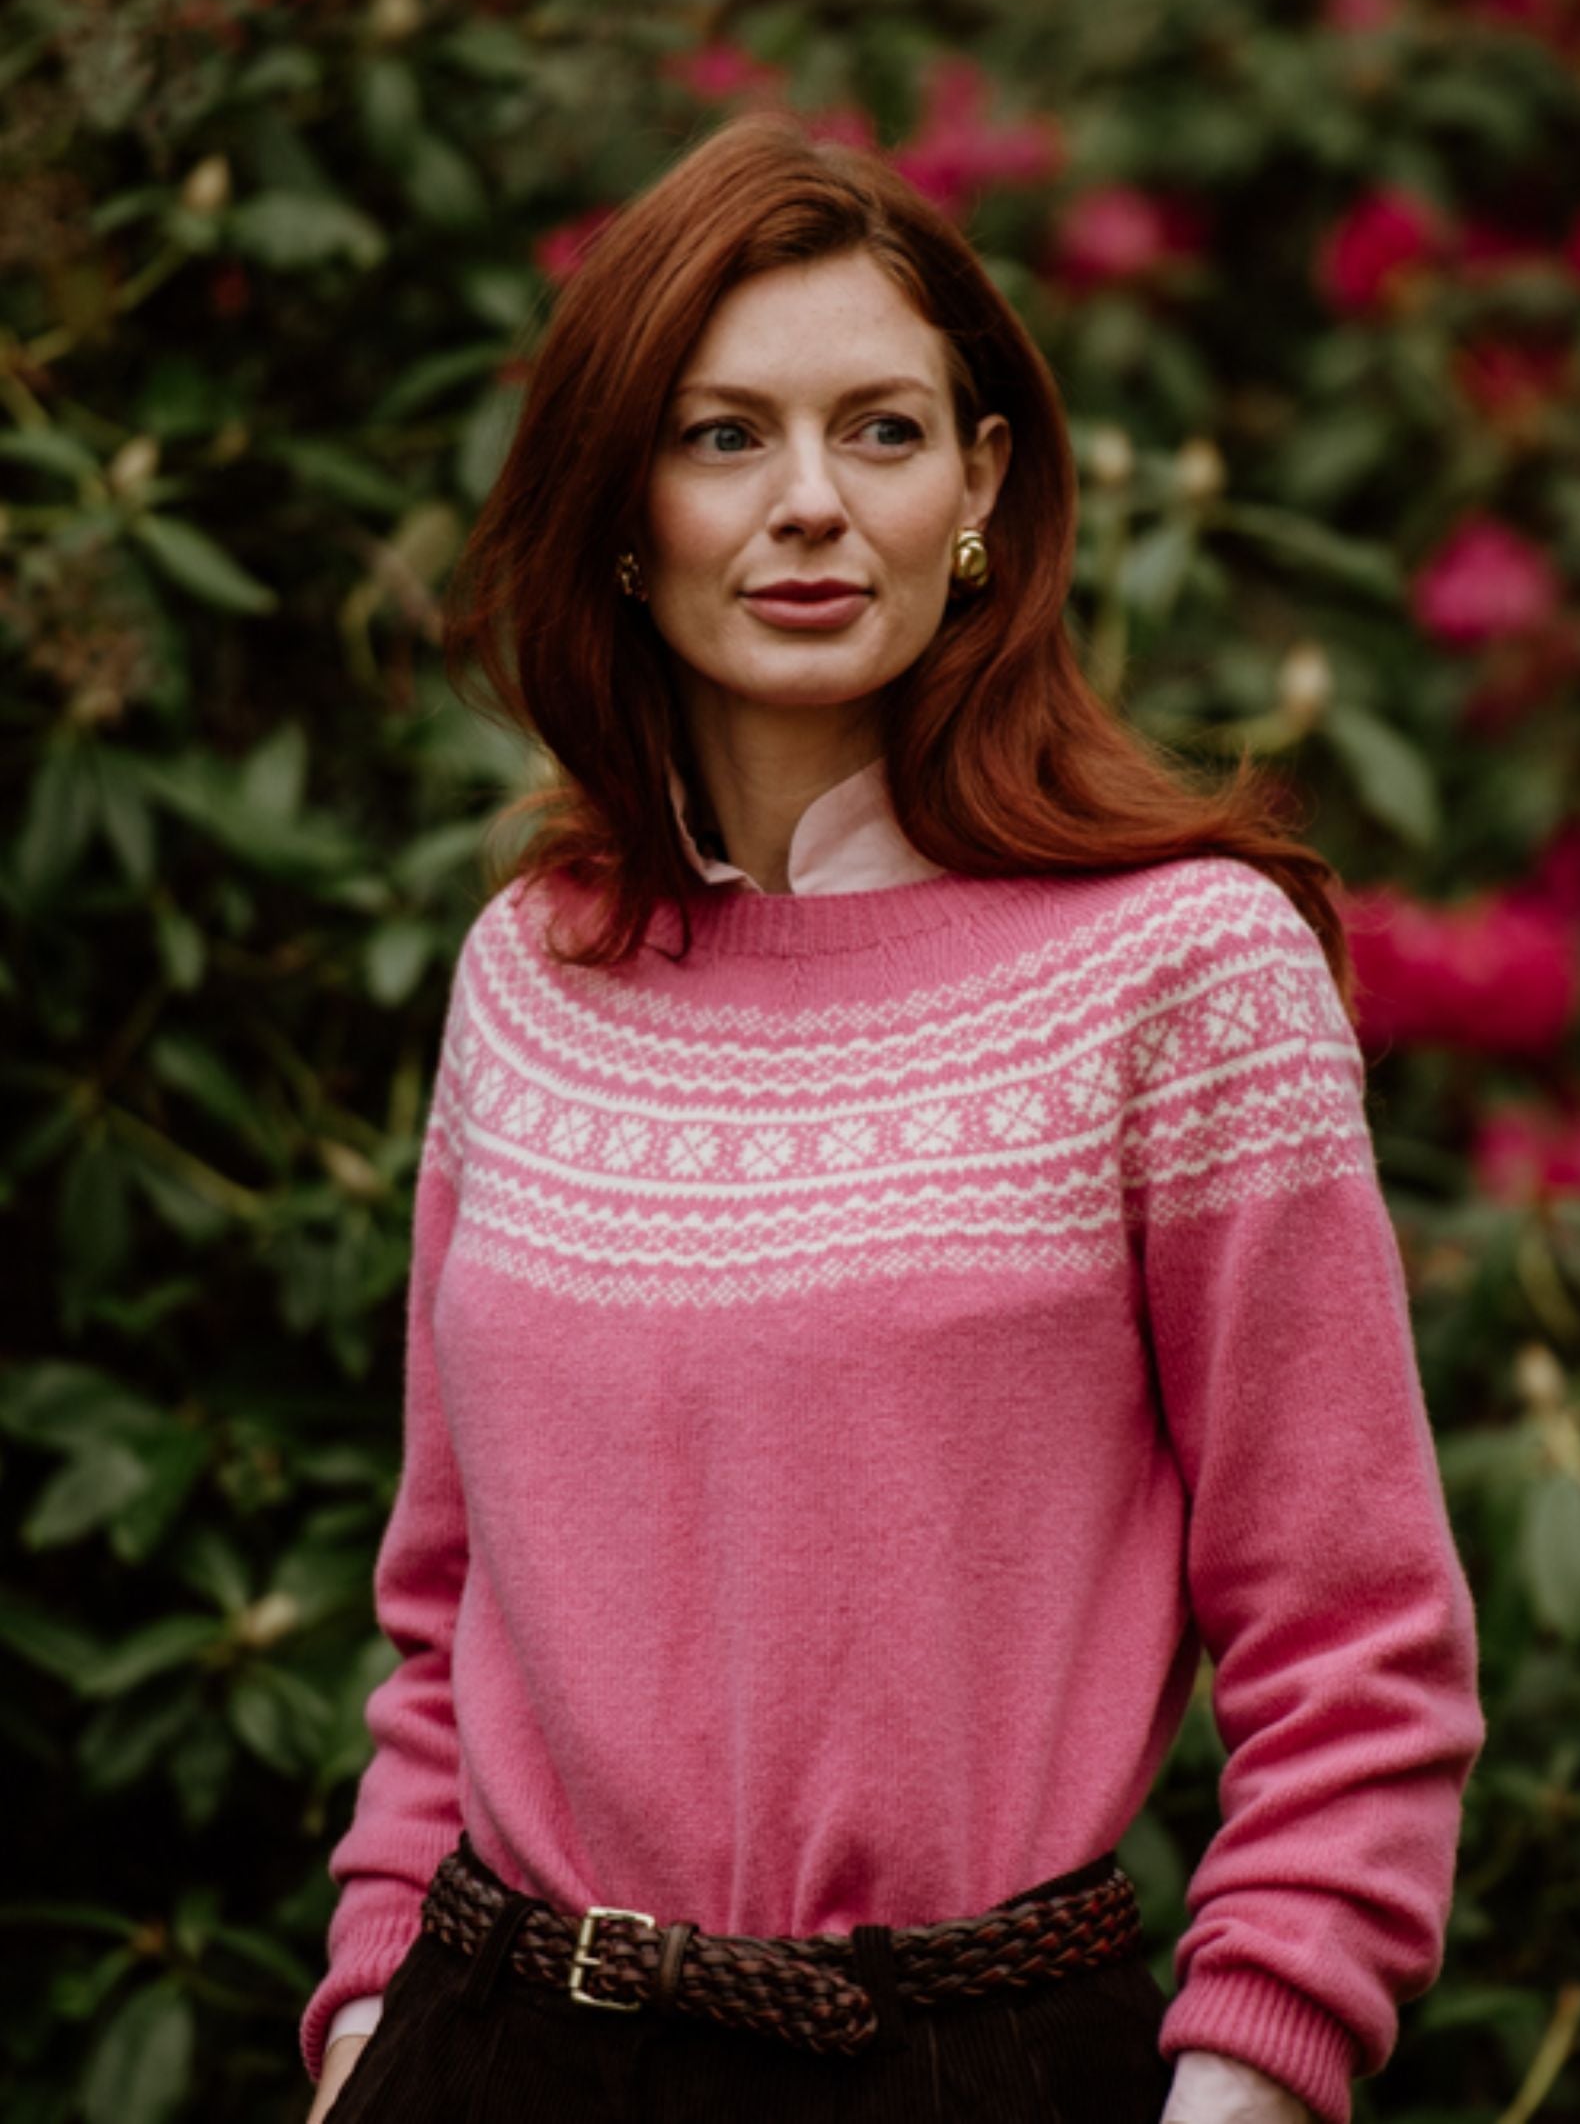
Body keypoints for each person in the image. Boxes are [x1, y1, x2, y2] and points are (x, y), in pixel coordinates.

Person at [301, 110, 1484, 2124]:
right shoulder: (529, 971)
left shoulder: (1184, 972)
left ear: (978, 484)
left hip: (960, 2060)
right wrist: (356, 2037)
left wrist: (1249, 2083)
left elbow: (1352, 1638)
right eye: (721, 435)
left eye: (879, 429)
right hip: (485, 2042)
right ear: (619, 501)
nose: (809, 504)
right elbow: (445, 1610)